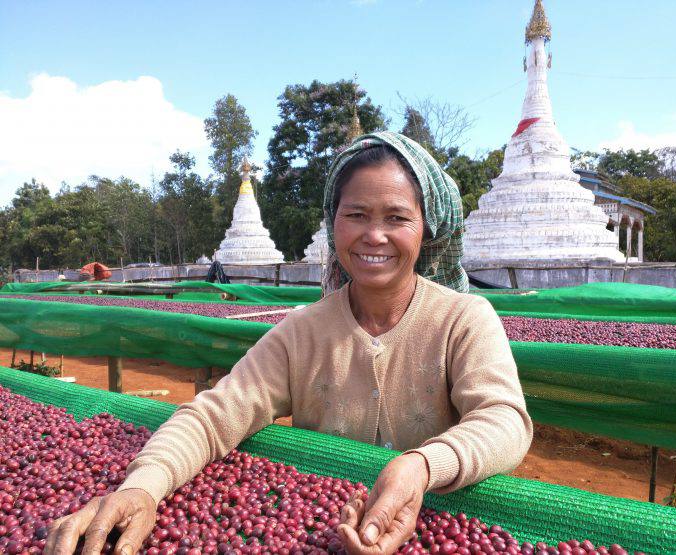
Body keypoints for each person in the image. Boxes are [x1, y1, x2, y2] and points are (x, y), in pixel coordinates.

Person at [44, 132, 532, 555]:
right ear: (332, 222)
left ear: (426, 230)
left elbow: (505, 420)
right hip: (326, 531)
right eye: (356, 214)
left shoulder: (464, 318)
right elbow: (214, 416)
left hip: (433, 520)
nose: (374, 235)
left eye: (397, 218)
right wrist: (143, 489)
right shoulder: (303, 331)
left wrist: (422, 467)